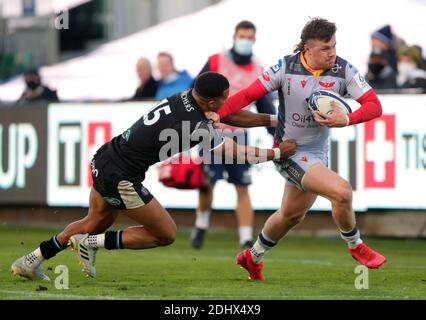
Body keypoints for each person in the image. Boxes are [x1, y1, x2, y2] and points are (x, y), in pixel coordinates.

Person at [10, 72, 296, 280]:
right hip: (122, 175)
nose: (226, 103)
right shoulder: (197, 124)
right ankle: (92, 243)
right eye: (223, 99)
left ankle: (31, 260)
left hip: (106, 156)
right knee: (165, 233)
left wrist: (274, 120)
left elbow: (228, 115)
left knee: (94, 221)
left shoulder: (185, 96)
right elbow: (235, 152)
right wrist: (276, 153)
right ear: (210, 103)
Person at [217, 18, 387, 280]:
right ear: (307, 49)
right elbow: (247, 96)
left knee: (291, 215)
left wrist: (348, 119)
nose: (332, 53)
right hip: (290, 151)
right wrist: (216, 114)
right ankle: (356, 246)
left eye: (333, 46)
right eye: (324, 48)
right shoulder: (285, 67)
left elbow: (374, 105)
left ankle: (252, 257)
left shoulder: (343, 69)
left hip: (318, 153)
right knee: (341, 192)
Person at [191, 20, 276, 250]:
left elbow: (265, 103)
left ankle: (246, 239)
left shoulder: (259, 68)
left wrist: (274, 132)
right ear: (234, 36)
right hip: (211, 132)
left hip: (239, 133)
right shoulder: (216, 60)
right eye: (242, 36)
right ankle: (201, 225)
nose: (245, 41)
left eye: (249, 37)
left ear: (254, 39)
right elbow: (194, 90)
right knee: (208, 184)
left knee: (242, 185)